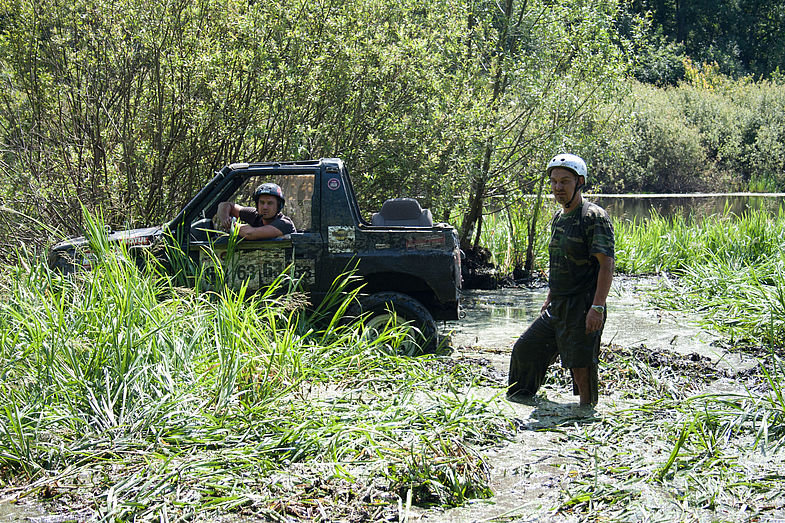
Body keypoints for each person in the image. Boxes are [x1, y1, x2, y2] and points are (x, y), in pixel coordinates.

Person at [508, 153, 615, 407]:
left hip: (584, 303)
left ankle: (585, 413)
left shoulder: (593, 217)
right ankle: (521, 398)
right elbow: (558, 263)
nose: (558, 188)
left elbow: (606, 266)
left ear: (579, 182)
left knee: (580, 365)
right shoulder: (558, 218)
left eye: (564, 182)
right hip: (559, 304)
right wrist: (549, 298)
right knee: (526, 349)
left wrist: (597, 308)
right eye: (554, 182)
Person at [214, 182, 296, 239]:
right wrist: (225, 219)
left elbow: (250, 233)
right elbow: (224, 205)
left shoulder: (284, 223)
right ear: (257, 204)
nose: (265, 207)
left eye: (270, 203)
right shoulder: (254, 215)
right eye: (262, 202)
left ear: (279, 206)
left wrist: (232, 225)